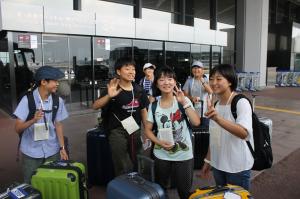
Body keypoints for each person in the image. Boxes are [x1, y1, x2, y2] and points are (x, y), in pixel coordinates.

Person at [144, 66, 200, 199]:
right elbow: (147, 130)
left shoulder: (182, 101)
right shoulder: (153, 106)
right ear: (156, 83)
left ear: (175, 82)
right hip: (161, 154)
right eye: (162, 79)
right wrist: (159, 142)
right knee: (161, 188)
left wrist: (184, 102)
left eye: (170, 79)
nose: (166, 83)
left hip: (183, 155)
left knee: (184, 190)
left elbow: (196, 122)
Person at [92, 57, 149, 176]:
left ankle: (139, 181)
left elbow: (143, 111)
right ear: (118, 71)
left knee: (138, 157)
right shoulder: (113, 88)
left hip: (135, 129)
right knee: (121, 160)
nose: (131, 72)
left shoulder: (139, 90)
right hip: (117, 130)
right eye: (127, 68)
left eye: (133, 69)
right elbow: (95, 106)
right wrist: (109, 96)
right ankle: (124, 184)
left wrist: (147, 131)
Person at [200, 64, 253, 190]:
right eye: (211, 79)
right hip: (218, 165)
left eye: (219, 79)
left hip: (237, 167)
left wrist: (218, 118)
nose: (213, 83)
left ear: (230, 81)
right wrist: (208, 161)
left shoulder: (241, 102)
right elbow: (214, 136)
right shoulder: (216, 104)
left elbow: (244, 133)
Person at [13, 66, 69, 184]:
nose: (57, 84)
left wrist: (62, 148)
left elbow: (58, 125)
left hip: (52, 151)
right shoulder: (27, 100)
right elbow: (17, 128)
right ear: (43, 82)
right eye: (54, 81)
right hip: (31, 153)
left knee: (53, 183)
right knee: (31, 184)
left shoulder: (57, 101)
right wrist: (33, 120)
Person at [183, 60, 213, 128]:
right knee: (194, 131)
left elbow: (210, 91)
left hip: (204, 111)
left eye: (198, 68)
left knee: (204, 131)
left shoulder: (206, 80)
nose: (196, 70)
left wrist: (202, 81)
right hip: (193, 109)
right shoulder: (189, 81)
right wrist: (192, 98)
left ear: (202, 70)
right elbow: (185, 94)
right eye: (194, 68)